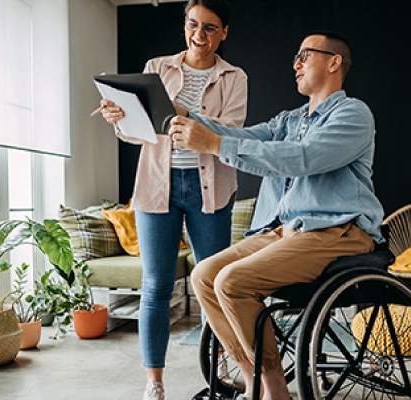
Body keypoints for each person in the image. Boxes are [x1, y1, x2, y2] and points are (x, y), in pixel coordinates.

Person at [168, 30, 384, 399]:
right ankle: (258, 380)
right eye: (295, 57)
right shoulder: (290, 119)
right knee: (204, 275)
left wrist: (216, 145)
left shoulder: (354, 113)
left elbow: (303, 159)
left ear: (334, 62)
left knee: (232, 282)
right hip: (286, 230)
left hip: (337, 230)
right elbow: (242, 135)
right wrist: (185, 115)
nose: (296, 64)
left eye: (305, 55)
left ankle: (273, 391)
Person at [99, 1, 247, 399]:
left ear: (225, 32)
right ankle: (154, 383)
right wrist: (120, 118)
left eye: (211, 28)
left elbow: (229, 135)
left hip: (210, 188)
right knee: (156, 286)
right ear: (185, 24)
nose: (200, 36)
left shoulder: (234, 77)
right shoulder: (157, 67)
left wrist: (177, 110)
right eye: (193, 25)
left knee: (214, 285)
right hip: (156, 185)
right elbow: (140, 132)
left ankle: (220, 370)